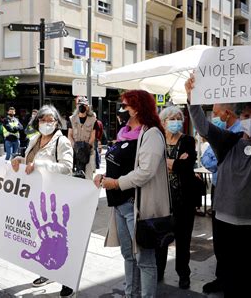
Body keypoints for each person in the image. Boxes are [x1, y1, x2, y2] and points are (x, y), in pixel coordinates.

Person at [185, 66, 251, 297]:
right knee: (232, 282)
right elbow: (203, 126)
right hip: (227, 227)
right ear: (239, 116)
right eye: (246, 116)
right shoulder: (227, 141)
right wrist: (192, 99)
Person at [94, 90, 170, 298]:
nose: (121, 110)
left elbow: (146, 171)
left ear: (137, 108)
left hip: (136, 205)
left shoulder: (151, 133)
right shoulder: (123, 134)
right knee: (128, 255)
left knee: (144, 260)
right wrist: (102, 176)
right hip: (119, 204)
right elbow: (118, 165)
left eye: (125, 106)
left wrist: (116, 183)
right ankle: (131, 294)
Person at [11, 105, 74, 297]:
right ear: (36, 121)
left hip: (55, 199)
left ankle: (67, 281)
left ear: (57, 123)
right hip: (37, 197)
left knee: (60, 240)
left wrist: (40, 165)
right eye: (43, 120)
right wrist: (19, 160)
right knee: (43, 239)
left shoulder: (62, 142)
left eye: (50, 120)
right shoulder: (34, 139)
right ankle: (46, 273)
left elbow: (66, 167)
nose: (46, 124)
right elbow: (29, 161)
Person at [155, 106, 204, 289]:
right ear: (163, 121)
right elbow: (152, 164)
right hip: (161, 199)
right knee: (160, 240)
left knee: (183, 241)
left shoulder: (188, 141)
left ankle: (183, 274)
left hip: (184, 200)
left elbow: (187, 166)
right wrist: (176, 162)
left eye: (178, 118)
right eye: (171, 118)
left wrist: (166, 162)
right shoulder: (157, 140)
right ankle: (159, 271)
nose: (175, 121)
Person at [199, 103, 241, 294]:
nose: (213, 117)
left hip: (234, 190)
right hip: (219, 187)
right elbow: (207, 160)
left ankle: (231, 280)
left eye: (215, 113)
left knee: (231, 239)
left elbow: (211, 160)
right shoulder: (223, 131)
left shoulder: (239, 130)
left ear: (227, 113)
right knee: (220, 237)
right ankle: (222, 278)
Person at [68, 96, 96, 179]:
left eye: (84, 105)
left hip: (88, 151)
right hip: (75, 152)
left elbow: (93, 135)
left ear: (87, 107)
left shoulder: (93, 120)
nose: (82, 107)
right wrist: (76, 147)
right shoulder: (72, 119)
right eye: (80, 105)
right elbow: (70, 135)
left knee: (88, 177)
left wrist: (86, 148)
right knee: (74, 177)